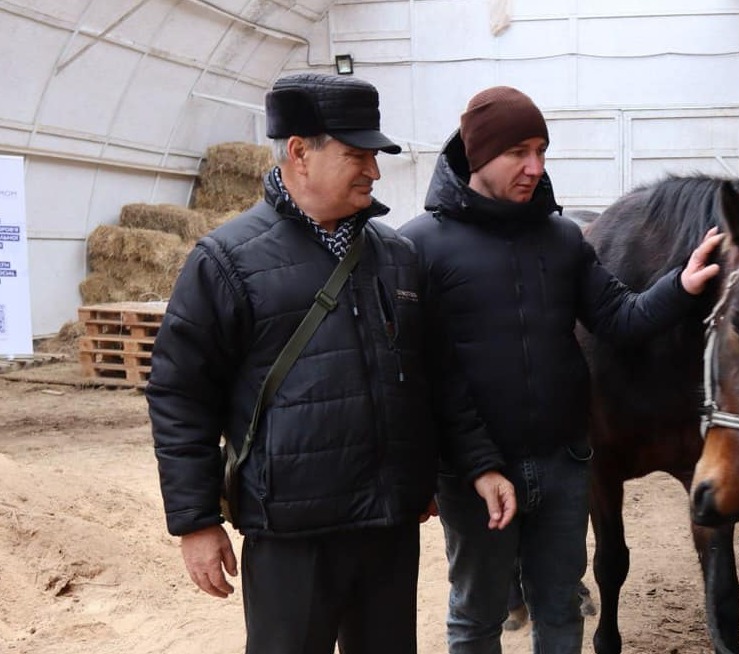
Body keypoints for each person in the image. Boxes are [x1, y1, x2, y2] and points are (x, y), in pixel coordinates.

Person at [147, 72, 515, 654]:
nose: (373, 170)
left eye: (375, 156)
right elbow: (180, 394)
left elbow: (438, 380)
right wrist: (195, 520)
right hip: (291, 533)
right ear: (299, 153)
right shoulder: (226, 261)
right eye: (356, 155)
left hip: (388, 525)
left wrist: (481, 465)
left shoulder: (397, 257)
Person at [399, 85, 723, 654]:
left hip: (563, 464)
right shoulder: (421, 247)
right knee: (477, 617)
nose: (535, 167)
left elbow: (619, 317)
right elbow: (419, 375)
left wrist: (681, 285)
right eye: (519, 152)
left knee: (560, 610)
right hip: (477, 474)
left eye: (542, 151)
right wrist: (456, 465)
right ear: (478, 155)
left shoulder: (561, 239)